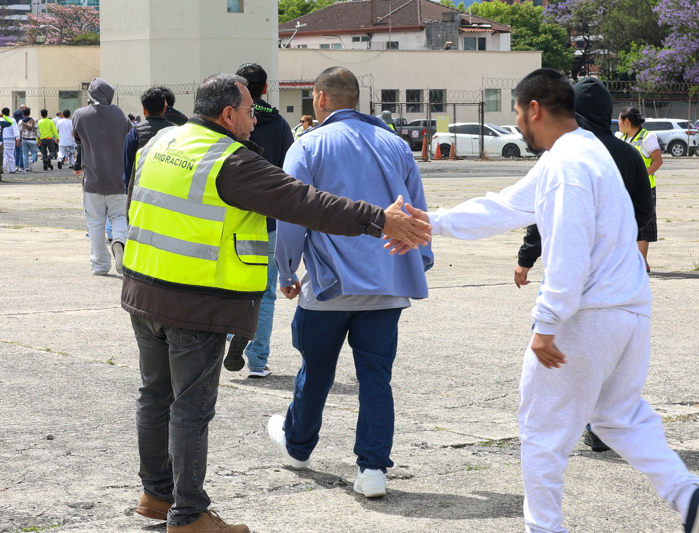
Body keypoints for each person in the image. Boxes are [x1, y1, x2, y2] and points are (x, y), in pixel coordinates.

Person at [390, 67, 699, 533]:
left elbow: (571, 250)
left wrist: (547, 323)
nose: (517, 124)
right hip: (628, 311)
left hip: (587, 316)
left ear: (534, 108)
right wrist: (431, 222)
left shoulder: (567, 165)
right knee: (620, 418)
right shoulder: (584, 153)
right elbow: (507, 205)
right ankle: (689, 497)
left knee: (542, 433)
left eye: (517, 112)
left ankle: (545, 529)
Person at [123, 73, 431, 533]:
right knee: (190, 409)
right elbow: (304, 203)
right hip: (195, 303)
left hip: (144, 292)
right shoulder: (230, 161)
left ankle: (155, 495)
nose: (256, 119)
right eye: (250, 111)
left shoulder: (163, 141)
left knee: (155, 397)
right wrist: (377, 220)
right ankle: (188, 516)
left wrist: (287, 270)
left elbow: (136, 204)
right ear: (228, 114)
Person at [269, 66, 432, 499]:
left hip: (328, 285)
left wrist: (286, 271)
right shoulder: (397, 145)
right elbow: (417, 211)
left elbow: (291, 215)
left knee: (316, 371)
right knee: (376, 378)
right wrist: (421, 260)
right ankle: (374, 468)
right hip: (388, 283)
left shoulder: (308, 145)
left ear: (320, 99)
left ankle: (299, 447)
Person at [514, 78, 654, 454]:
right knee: (608, 361)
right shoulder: (628, 155)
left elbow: (540, 217)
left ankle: (553, 432)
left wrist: (526, 258)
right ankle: (600, 426)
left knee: (550, 356)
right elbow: (643, 212)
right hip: (620, 283)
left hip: (573, 280)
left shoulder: (565, 155)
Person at [228, 62, 296, 378]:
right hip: (267, 220)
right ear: (265, 89)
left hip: (229, 217)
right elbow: (290, 171)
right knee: (265, 293)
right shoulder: (280, 124)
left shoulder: (227, 120)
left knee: (228, 288)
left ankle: (226, 339)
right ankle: (256, 361)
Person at [71, 78, 132, 276]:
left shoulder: (80, 115)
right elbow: (130, 136)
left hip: (93, 180)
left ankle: (100, 265)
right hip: (118, 180)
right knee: (119, 216)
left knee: (96, 223)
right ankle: (120, 240)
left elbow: (77, 139)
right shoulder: (120, 114)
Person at [617, 107, 663, 272]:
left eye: (619, 121)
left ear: (627, 121)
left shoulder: (647, 137)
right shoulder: (620, 137)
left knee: (644, 225)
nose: (618, 124)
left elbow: (657, 162)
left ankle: (641, 261)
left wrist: (641, 179)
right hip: (624, 189)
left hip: (644, 189)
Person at [122, 87, 174, 190]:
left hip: (142, 192)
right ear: (164, 108)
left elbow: (128, 169)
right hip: (169, 191)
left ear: (144, 110)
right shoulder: (176, 131)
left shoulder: (134, 133)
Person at [18, 107, 39, 172]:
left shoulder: (21, 121)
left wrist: (18, 139)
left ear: (23, 114)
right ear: (29, 113)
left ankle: (26, 167)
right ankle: (32, 160)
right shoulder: (34, 120)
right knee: (34, 152)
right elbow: (37, 130)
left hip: (24, 139)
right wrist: (39, 138)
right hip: (32, 139)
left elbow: (19, 131)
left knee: (25, 154)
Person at [0, 107, 20, 174]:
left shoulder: (0, 120)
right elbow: (15, 130)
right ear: (9, 113)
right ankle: (11, 169)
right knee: (11, 155)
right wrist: (18, 138)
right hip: (11, 140)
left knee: (3, 155)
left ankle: (1, 167)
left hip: (2, 140)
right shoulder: (12, 120)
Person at [13, 104, 26, 171]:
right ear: (22, 109)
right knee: (21, 151)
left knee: (16, 151)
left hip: (14, 135)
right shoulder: (23, 117)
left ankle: (16, 165)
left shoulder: (13, 116)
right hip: (21, 135)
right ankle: (21, 166)